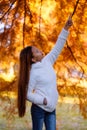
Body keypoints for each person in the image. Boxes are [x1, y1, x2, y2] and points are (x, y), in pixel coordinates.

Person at [17, 14, 73, 130]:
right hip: (39, 109)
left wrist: (65, 29)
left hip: (51, 108)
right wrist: (43, 100)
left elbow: (58, 47)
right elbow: (27, 93)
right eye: (36, 52)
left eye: (37, 49)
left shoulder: (47, 61)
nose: (39, 51)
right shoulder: (33, 73)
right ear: (33, 59)